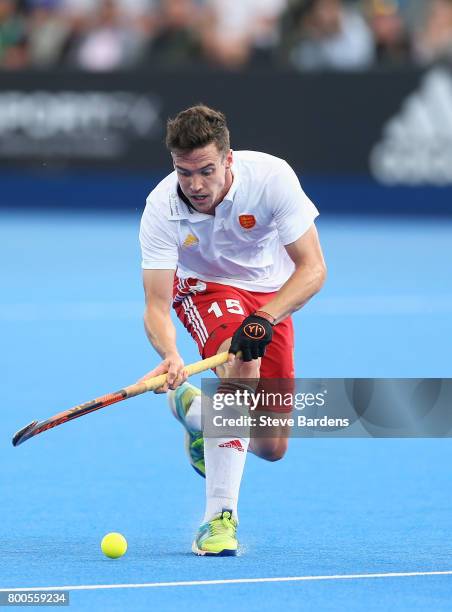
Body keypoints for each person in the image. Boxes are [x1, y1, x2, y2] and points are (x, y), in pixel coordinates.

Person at [139, 104, 326, 556]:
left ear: (228, 159)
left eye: (205, 170)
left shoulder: (272, 179)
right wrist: (169, 353)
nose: (195, 185)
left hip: (269, 297)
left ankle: (198, 413)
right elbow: (157, 305)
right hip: (203, 288)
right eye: (184, 172)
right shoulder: (161, 208)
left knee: (271, 445)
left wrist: (264, 317)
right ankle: (218, 520)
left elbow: (313, 270)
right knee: (242, 366)